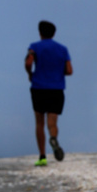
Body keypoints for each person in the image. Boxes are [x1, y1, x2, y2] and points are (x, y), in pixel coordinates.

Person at [24, 21, 73, 166]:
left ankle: (42, 157)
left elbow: (28, 63)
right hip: (56, 88)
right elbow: (69, 70)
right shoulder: (63, 49)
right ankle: (53, 138)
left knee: (39, 122)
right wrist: (58, 72)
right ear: (54, 33)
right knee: (52, 121)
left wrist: (30, 73)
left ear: (40, 33)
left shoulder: (34, 47)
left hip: (39, 87)